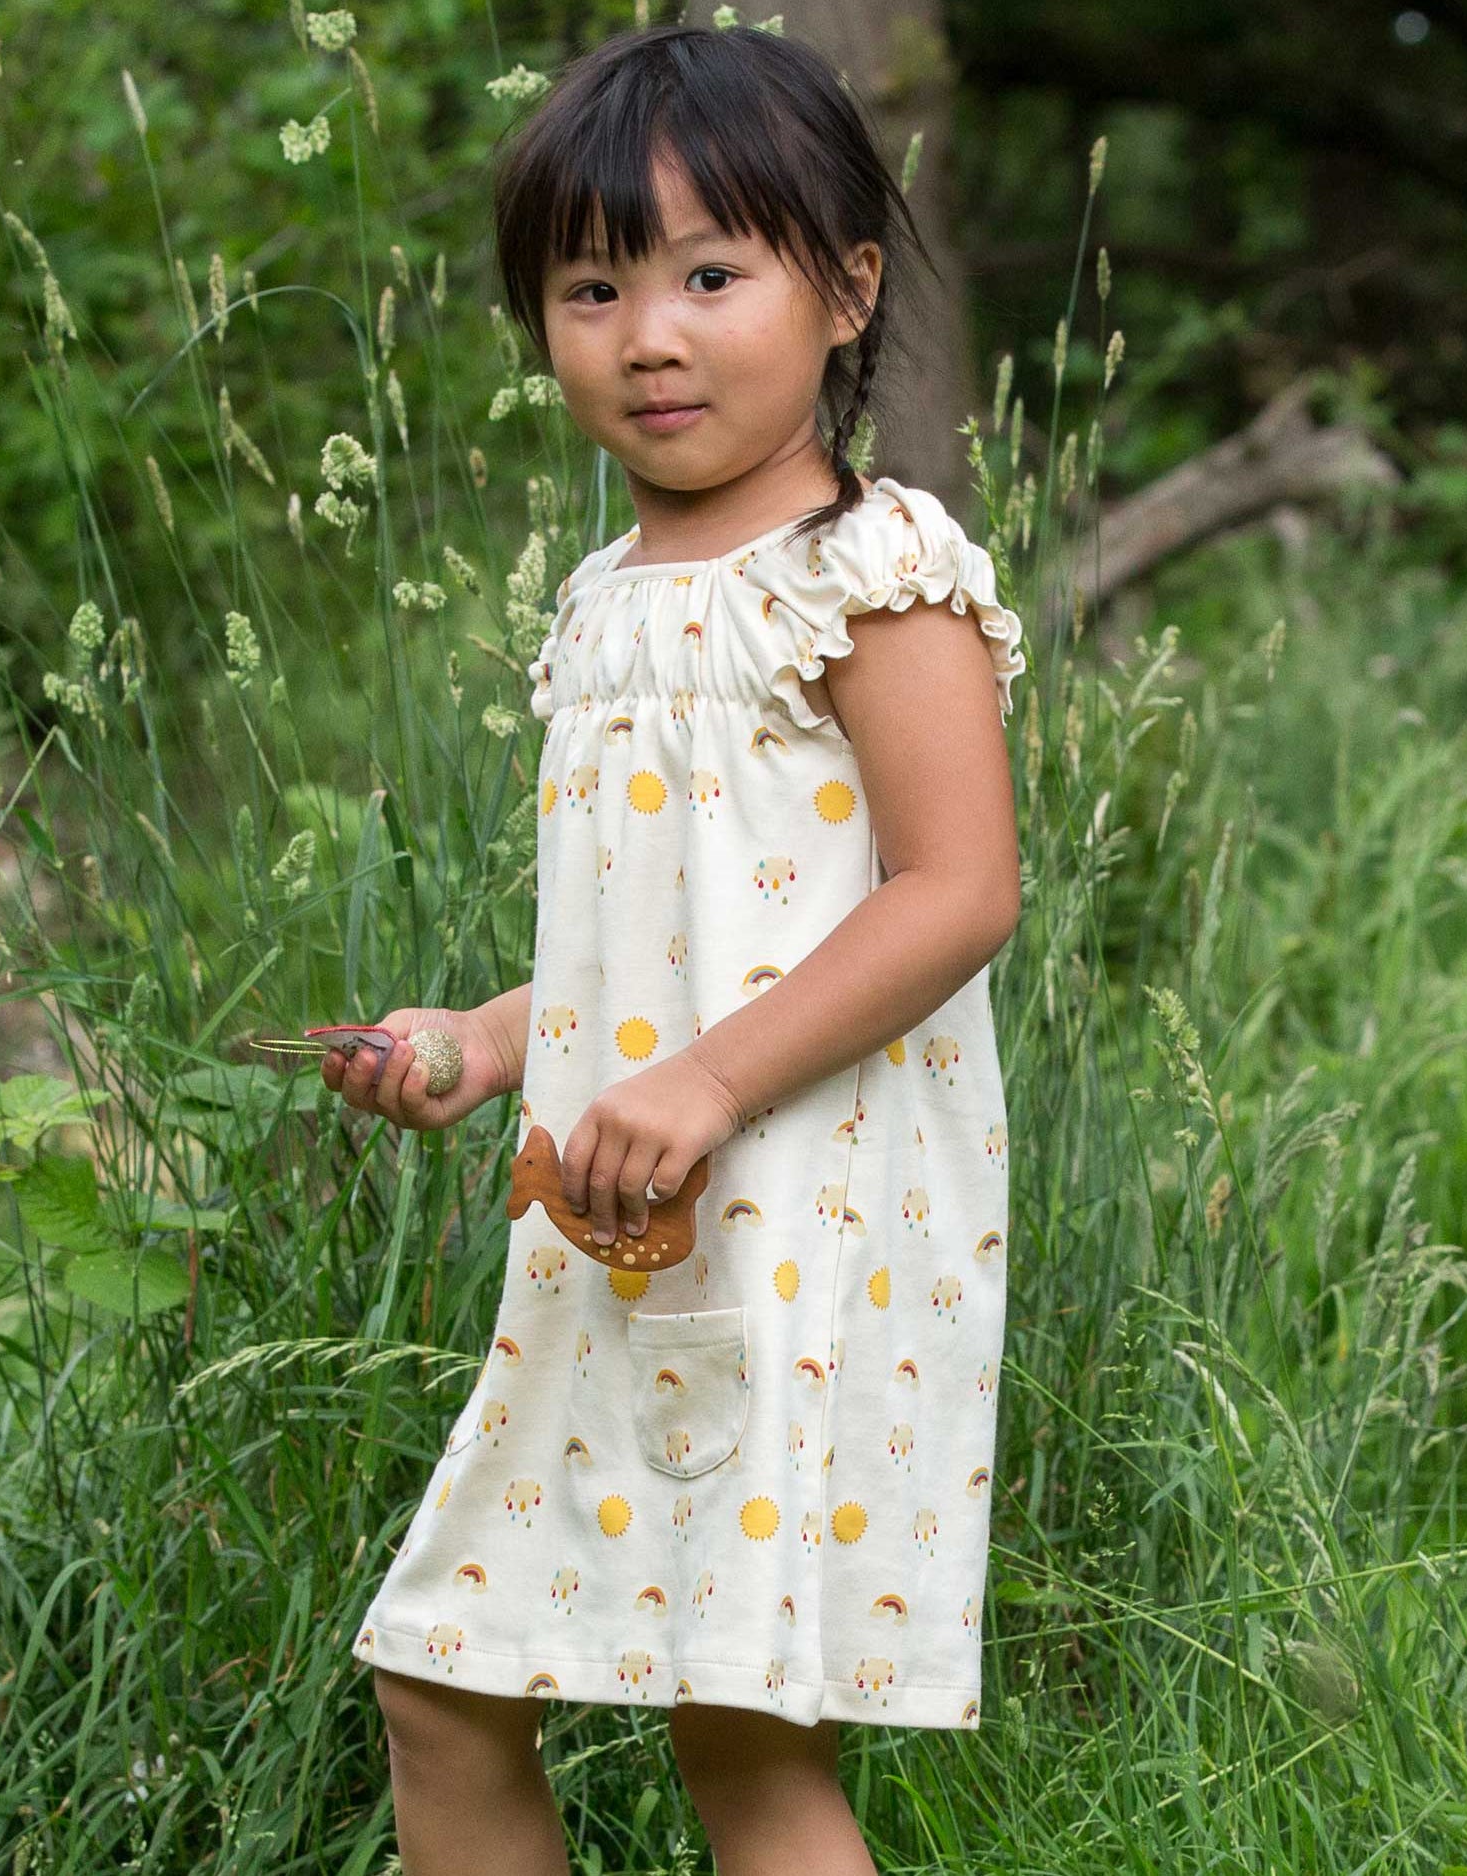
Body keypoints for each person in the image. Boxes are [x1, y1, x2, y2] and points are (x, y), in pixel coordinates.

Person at [323, 22, 1026, 1875]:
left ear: (846, 289)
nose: (650, 334)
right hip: (614, 1212)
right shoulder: (600, 604)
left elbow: (957, 890)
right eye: (591, 286)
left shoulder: (873, 573)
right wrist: (484, 1045)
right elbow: (657, 941)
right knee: (445, 1679)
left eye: (713, 274)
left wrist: (709, 1079)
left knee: (738, 1738)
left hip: (799, 1222)